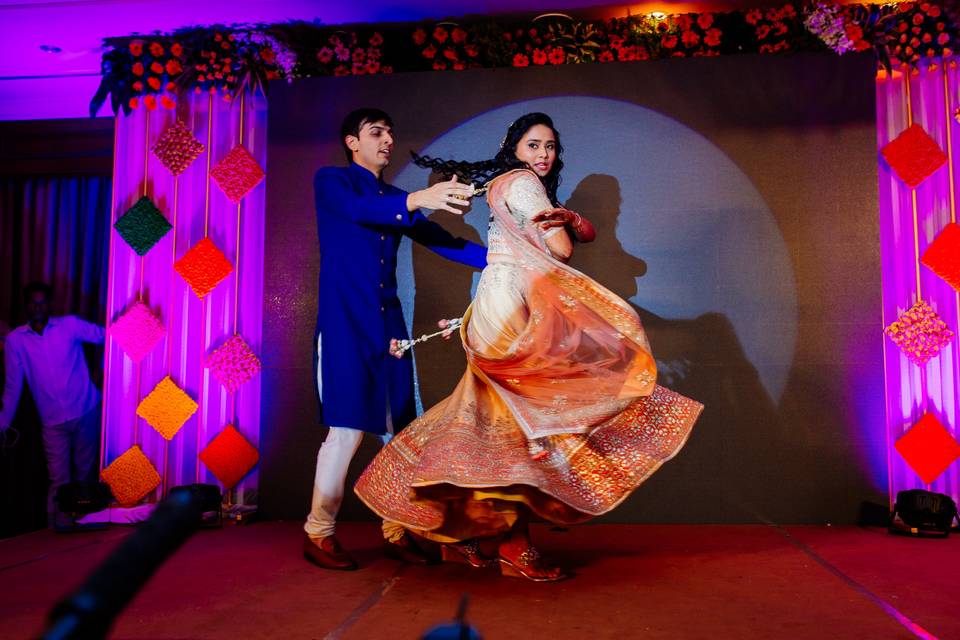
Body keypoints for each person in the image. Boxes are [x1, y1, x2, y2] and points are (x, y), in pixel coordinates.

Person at [355, 113, 703, 581]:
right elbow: (560, 250)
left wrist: (575, 219)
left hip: (496, 299)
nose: (543, 154)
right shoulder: (525, 185)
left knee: (490, 418)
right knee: (522, 423)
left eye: (550, 147)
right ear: (514, 147)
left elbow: (575, 235)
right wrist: (569, 226)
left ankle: (468, 533)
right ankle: (512, 544)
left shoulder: (504, 182)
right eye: (534, 144)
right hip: (512, 303)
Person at [305, 108, 494, 571]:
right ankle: (318, 531)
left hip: (389, 328)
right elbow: (356, 211)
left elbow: (444, 241)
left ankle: (395, 530)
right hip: (345, 323)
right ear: (353, 142)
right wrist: (419, 198)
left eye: (390, 131)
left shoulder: (396, 196)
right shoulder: (333, 181)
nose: (387, 139)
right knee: (347, 431)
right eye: (376, 132)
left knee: (400, 433)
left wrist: (506, 260)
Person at [0, 282, 104, 529]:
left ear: (50, 304)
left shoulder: (69, 325)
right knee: (59, 480)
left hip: (85, 410)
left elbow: (104, 336)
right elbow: (13, 387)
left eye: (42, 302)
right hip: (52, 421)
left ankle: (86, 526)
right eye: (33, 302)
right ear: (27, 305)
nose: (37, 307)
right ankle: (54, 532)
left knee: (85, 476)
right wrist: (2, 424)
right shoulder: (16, 341)